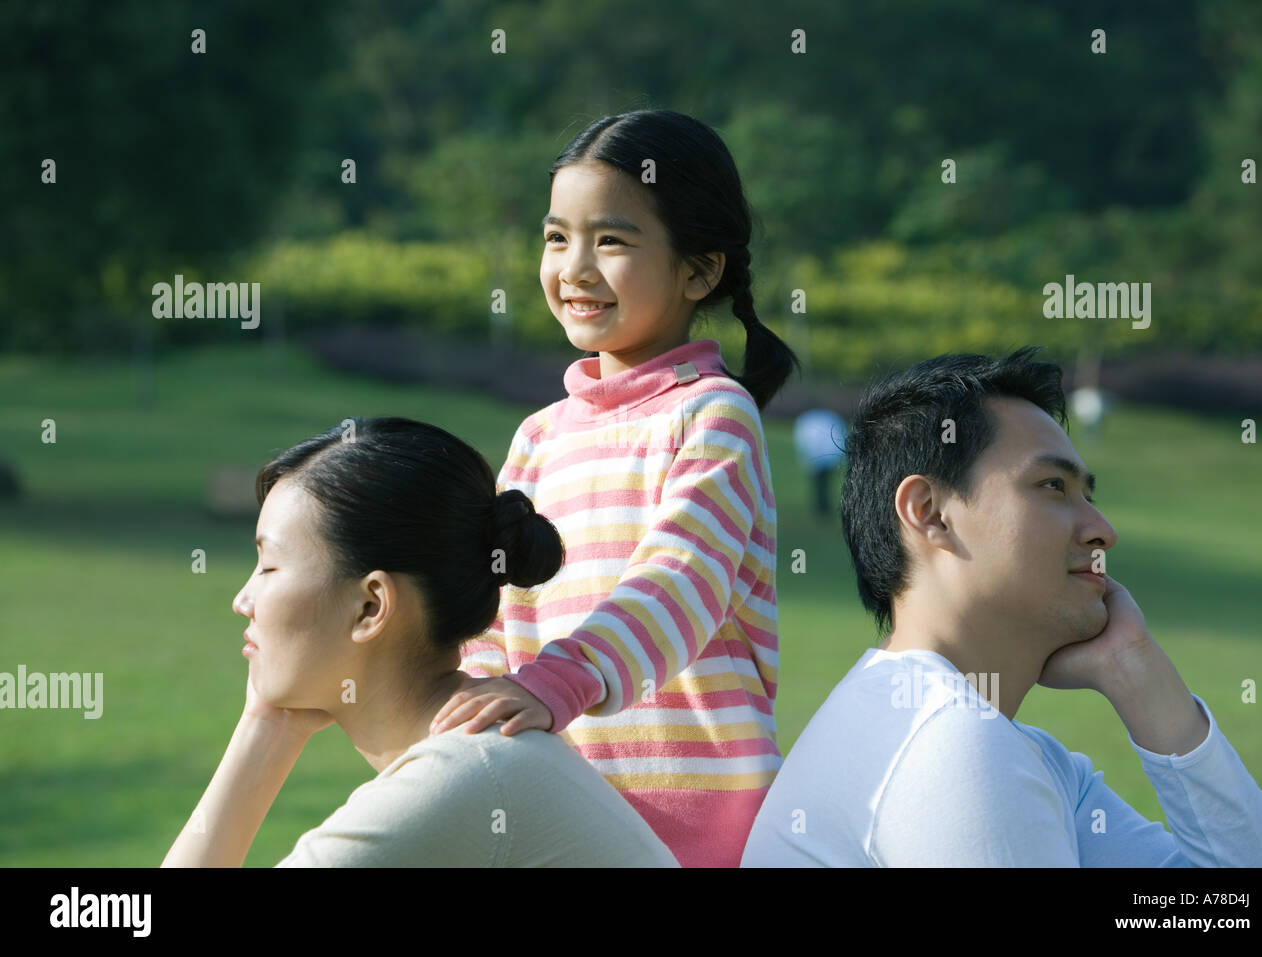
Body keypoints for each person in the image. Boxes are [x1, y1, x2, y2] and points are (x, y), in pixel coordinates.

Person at [742, 348, 1262, 867]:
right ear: (930, 512)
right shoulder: (951, 746)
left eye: (1090, 495)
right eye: (1053, 485)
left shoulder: (1017, 753)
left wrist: (1136, 668)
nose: (1102, 530)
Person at [430, 110, 799, 867]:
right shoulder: (538, 436)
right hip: (555, 812)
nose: (575, 268)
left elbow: (679, 580)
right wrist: (465, 705)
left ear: (699, 269)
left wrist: (558, 681)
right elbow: (496, 615)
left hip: (704, 830)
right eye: (557, 236)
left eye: (612, 240)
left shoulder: (713, 415)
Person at [162, 417, 678, 867]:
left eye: (269, 566)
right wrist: (267, 726)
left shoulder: (461, 778)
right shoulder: (484, 758)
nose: (242, 599)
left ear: (371, 607)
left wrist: (259, 738)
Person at [793, 407, 847, 518]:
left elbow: (805, 439)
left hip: (818, 457)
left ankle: (821, 507)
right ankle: (822, 507)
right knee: (822, 484)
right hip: (826, 456)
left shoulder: (808, 420)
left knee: (820, 484)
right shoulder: (828, 419)